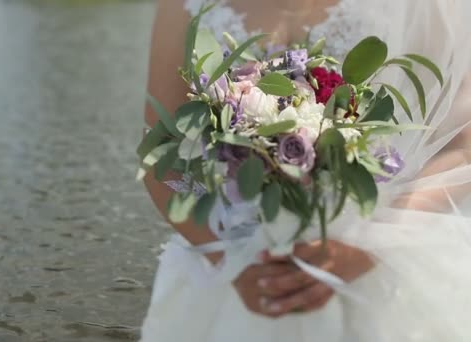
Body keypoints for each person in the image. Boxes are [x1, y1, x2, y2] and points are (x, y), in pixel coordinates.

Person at [141, 0, 471, 341]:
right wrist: (230, 260)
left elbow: (462, 146)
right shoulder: (183, 5)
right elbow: (160, 153)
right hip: (232, 260)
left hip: (377, 263)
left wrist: (370, 246)